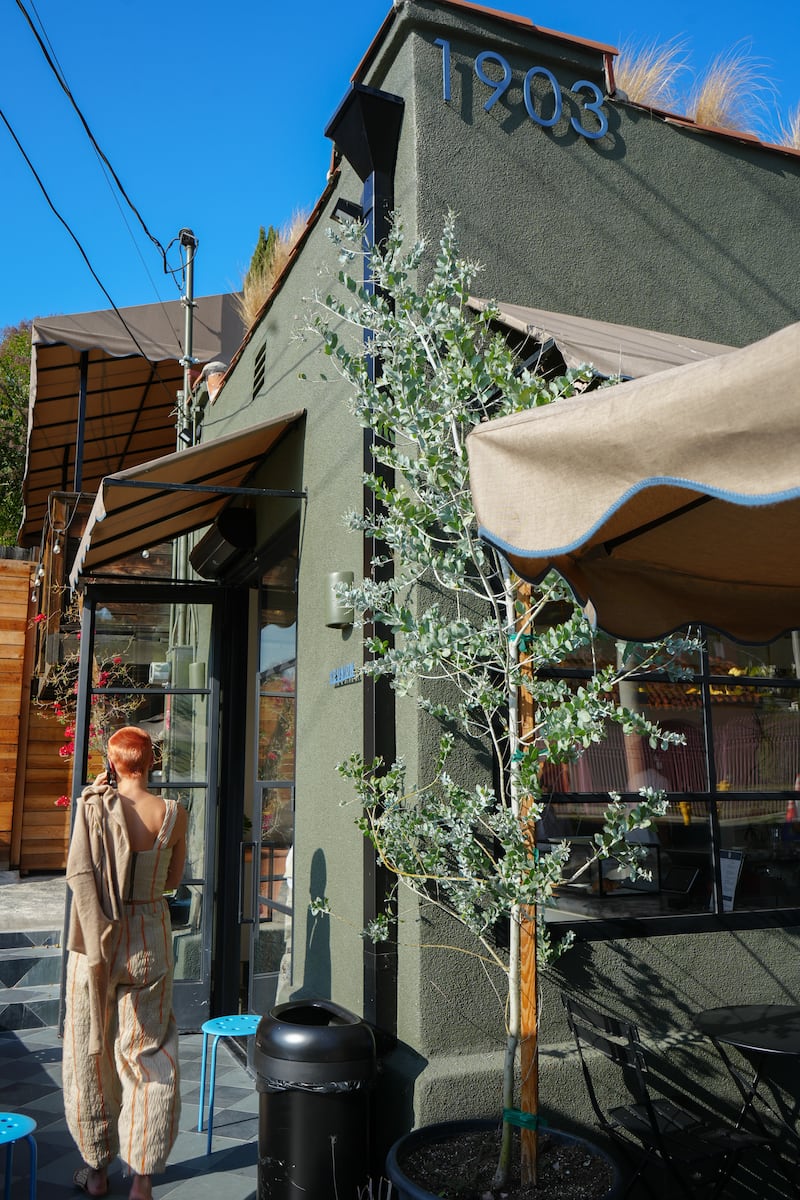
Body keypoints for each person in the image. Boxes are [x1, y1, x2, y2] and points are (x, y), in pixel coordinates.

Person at [63, 726, 187, 1200]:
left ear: (113, 764)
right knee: (149, 1053)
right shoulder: (174, 813)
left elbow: (78, 871)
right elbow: (173, 881)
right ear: (151, 762)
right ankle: (142, 1180)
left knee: (87, 1051)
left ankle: (96, 1171)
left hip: (96, 941)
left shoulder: (94, 806)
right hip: (149, 935)